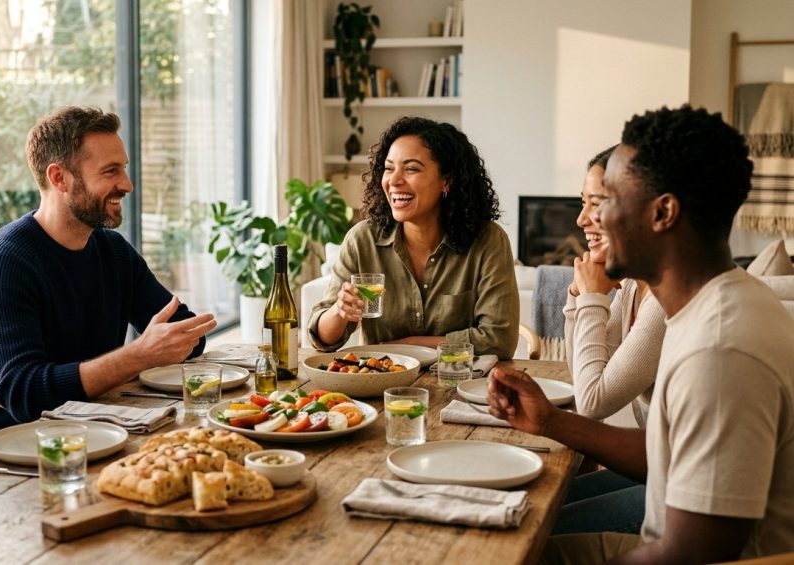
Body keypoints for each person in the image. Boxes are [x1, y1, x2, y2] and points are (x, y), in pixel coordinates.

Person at [488, 105, 794, 563]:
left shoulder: (719, 348)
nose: (588, 220)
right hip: (668, 539)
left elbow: (695, 553)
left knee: (506, 549)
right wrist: (551, 421)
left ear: (662, 212)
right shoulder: (710, 304)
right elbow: (668, 450)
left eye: (606, 199)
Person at [0, 106, 216, 436]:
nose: (127, 185)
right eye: (111, 171)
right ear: (60, 178)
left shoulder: (112, 249)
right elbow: (24, 393)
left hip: (108, 426)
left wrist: (169, 341)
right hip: (26, 449)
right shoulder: (0, 263)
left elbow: (184, 333)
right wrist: (137, 356)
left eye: (123, 169)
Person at [307, 116, 519, 357]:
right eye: (389, 168)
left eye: (411, 169)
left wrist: (408, 345)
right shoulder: (362, 240)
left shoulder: (488, 241)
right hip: (380, 387)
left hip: (461, 385)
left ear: (446, 181)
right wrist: (339, 311)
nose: (394, 181)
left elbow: (499, 340)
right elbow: (322, 339)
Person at [551, 146, 668, 535]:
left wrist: (592, 298)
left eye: (595, 204)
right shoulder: (636, 284)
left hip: (680, 487)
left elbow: (592, 402)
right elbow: (584, 372)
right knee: (539, 501)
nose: (582, 219)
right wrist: (578, 294)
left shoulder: (665, 302)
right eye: (582, 203)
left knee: (540, 525)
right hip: (655, 464)